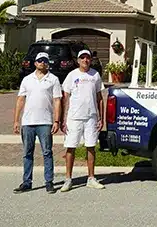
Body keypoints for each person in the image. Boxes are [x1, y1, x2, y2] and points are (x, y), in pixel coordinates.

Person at [12, 52, 62, 194]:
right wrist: (16, 120)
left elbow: (57, 100)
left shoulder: (53, 79)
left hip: (45, 122)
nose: (42, 63)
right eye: (40, 60)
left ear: (48, 63)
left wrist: (56, 120)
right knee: (27, 153)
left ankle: (49, 182)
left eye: (45, 60)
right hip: (28, 122)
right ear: (35, 63)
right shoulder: (27, 79)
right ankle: (27, 182)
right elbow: (20, 100)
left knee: (47, 152)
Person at [60, 49, 106, 191]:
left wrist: (101, 118)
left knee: (91, 147)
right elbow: (65, 98)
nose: (85, 60)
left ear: (90, 60)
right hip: (74, 118)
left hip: (91, 117)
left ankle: (91, 178)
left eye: (87, 58)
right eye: (82, 58)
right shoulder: (72, 75)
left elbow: (100, 98)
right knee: (71, 147)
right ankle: (68, 179)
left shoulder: (95, 75)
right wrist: (62, 119)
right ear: (78, 60)